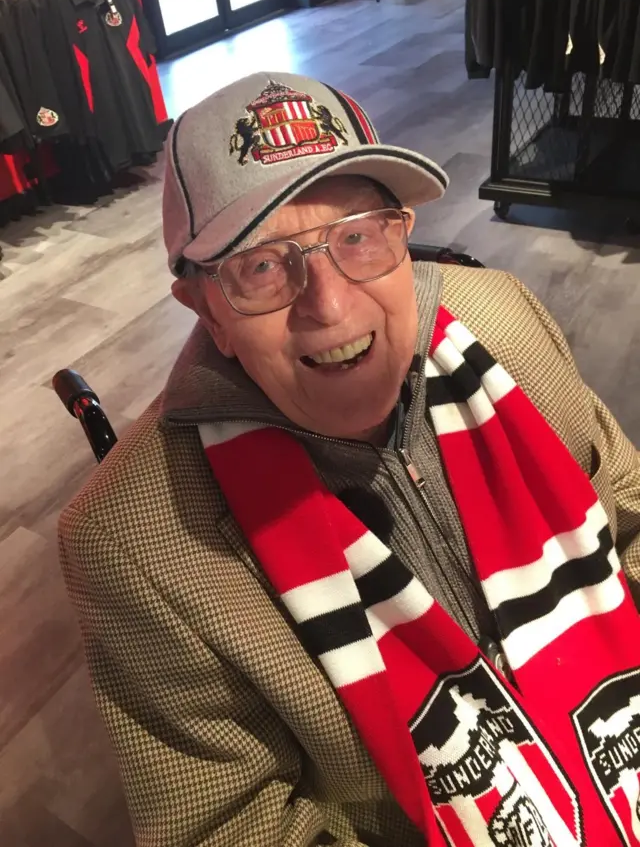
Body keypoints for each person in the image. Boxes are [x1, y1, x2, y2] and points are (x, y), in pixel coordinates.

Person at [59, 73, 640, 847]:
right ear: (206, 310)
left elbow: (627, 507)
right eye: (262, 265)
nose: (330, 305)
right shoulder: (131, 543)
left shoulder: (506, 318)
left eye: (358, 235)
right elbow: (233, 827)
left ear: (402, 234)